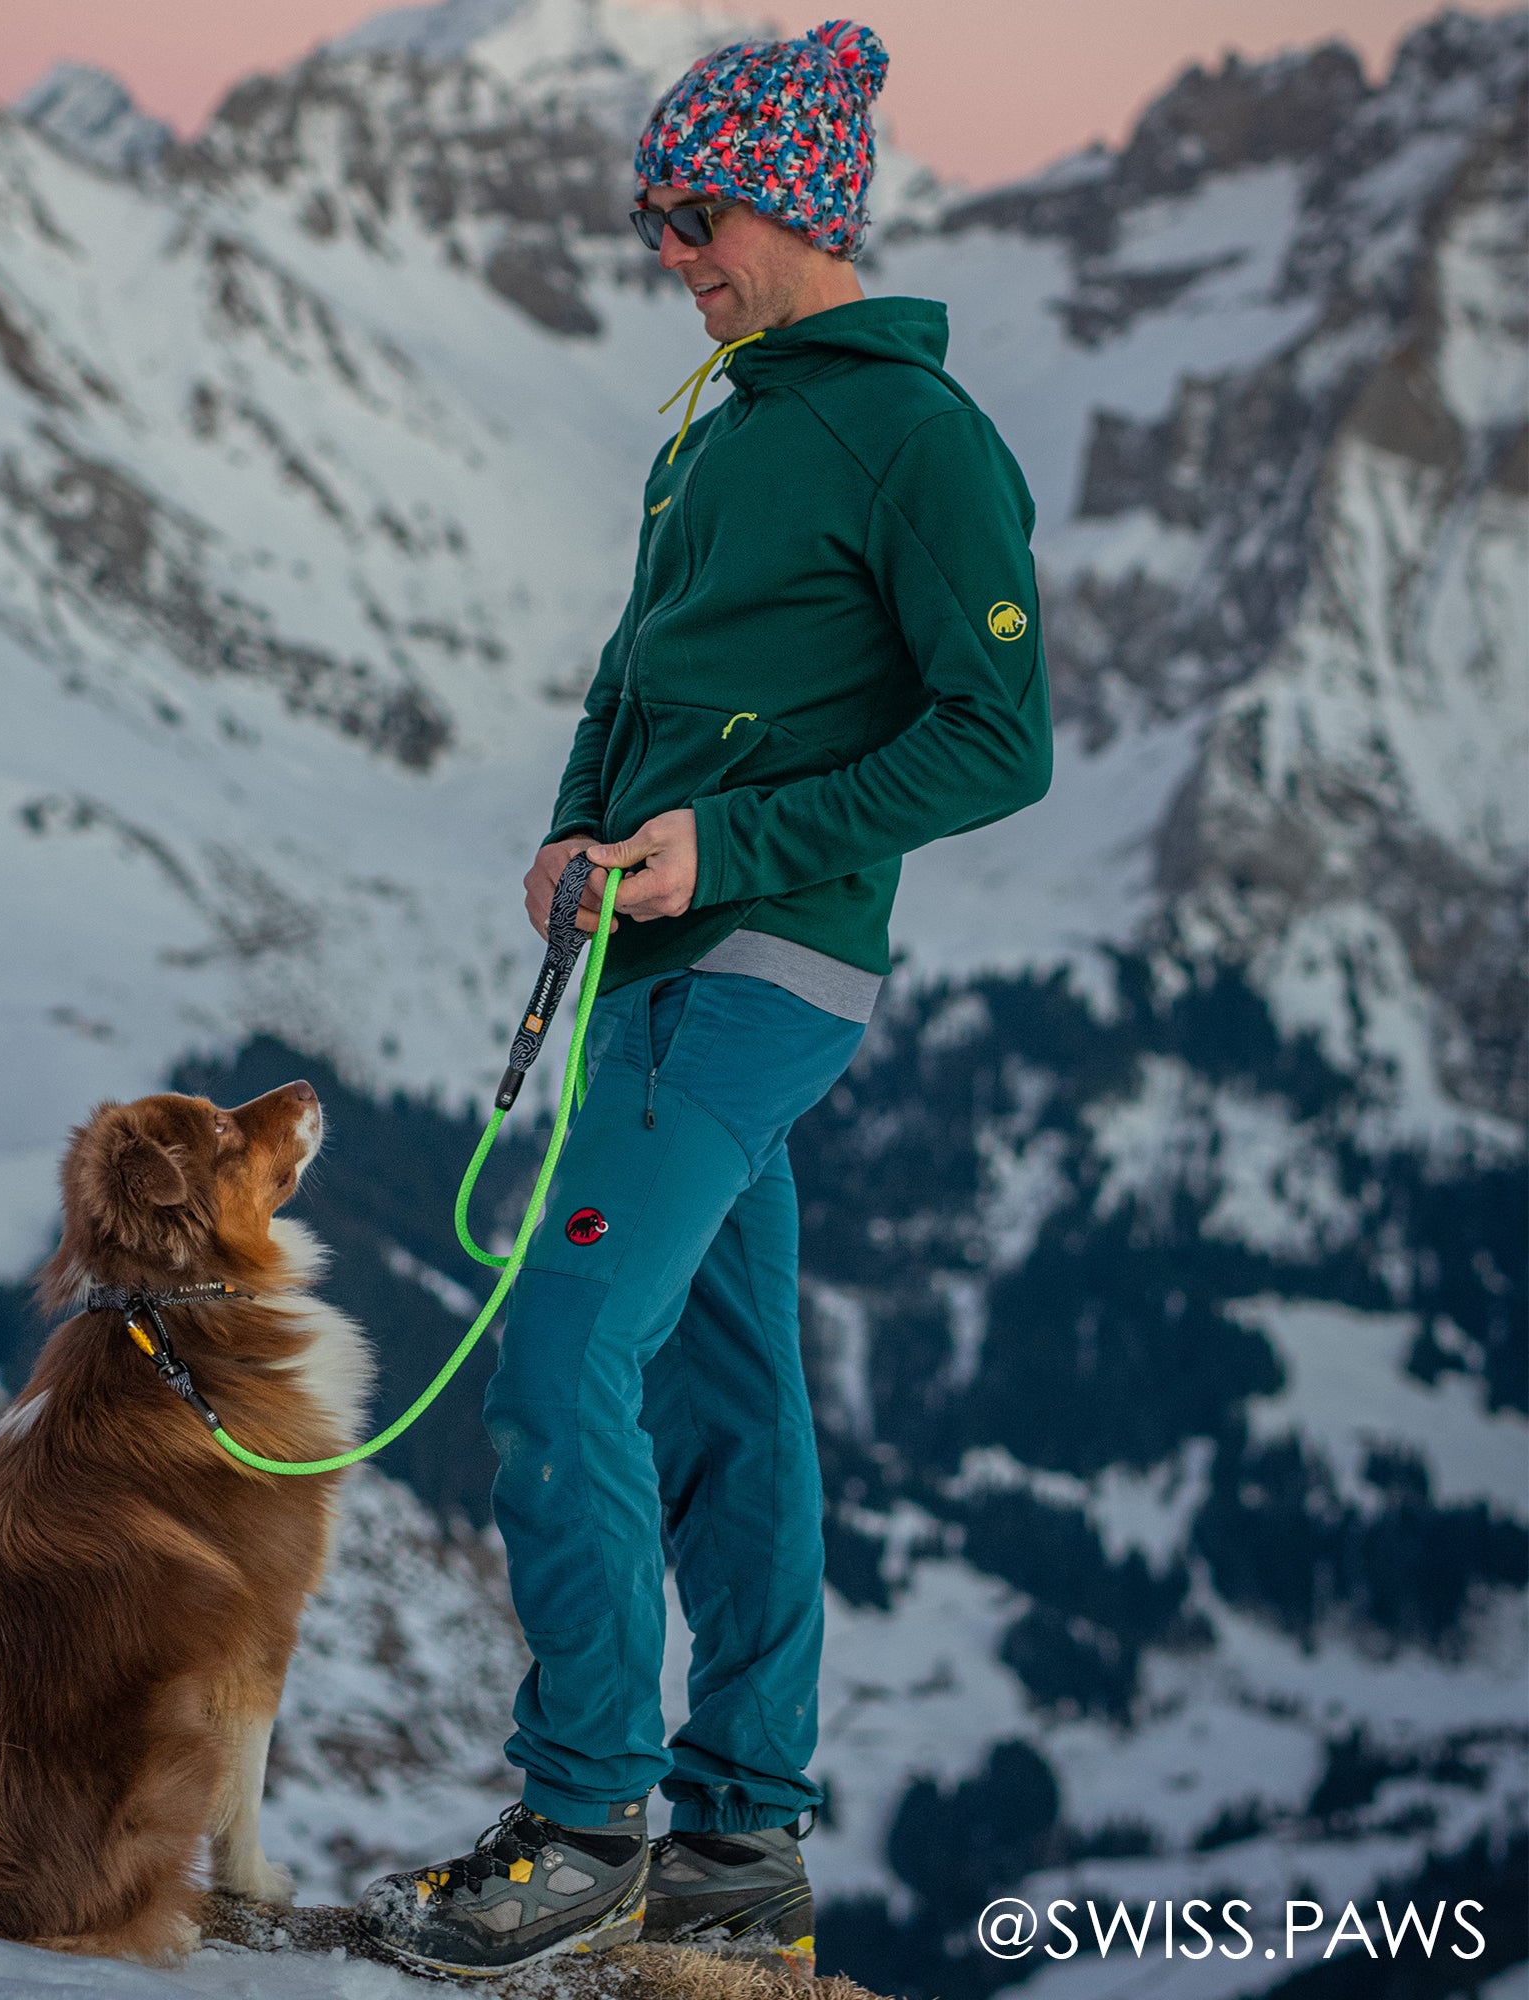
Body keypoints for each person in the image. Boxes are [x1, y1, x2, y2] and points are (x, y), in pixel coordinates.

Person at [359, 18, 1052, 1982]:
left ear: (807, 204)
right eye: (653, 211)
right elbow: (634, 671)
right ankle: (741, 1841)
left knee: (559, 1341)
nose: (671, 244)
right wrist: (578, 832)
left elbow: (1001, 738)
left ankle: (585, 1818)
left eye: (699, 207)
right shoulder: (719, 418)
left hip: (765, 965)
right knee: (732, 1407)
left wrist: (727, 851)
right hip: (643, 968)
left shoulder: (915, 436)